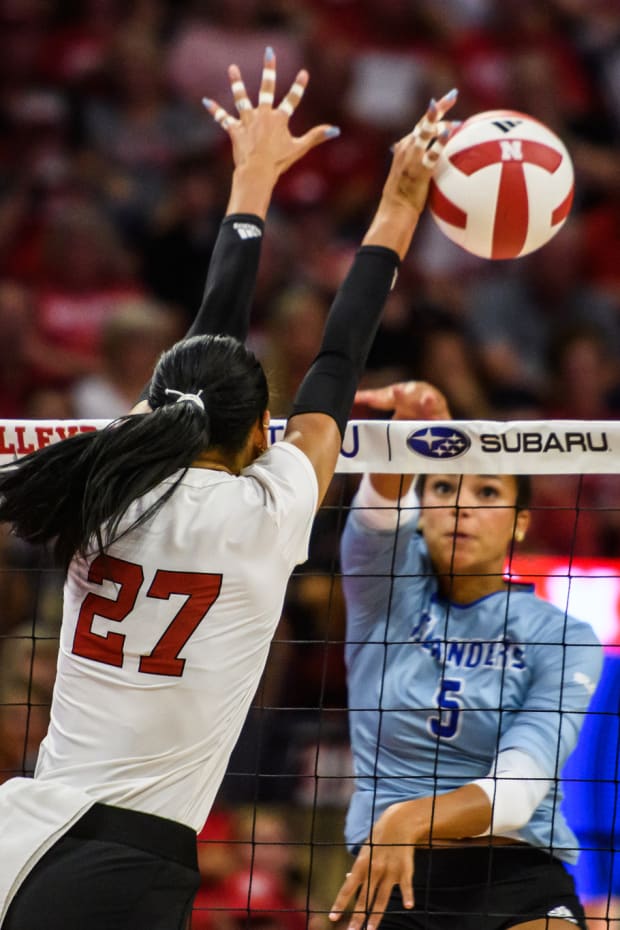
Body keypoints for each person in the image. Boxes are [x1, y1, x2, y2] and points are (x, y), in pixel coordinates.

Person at [0, 50, 456, 930]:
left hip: (22, 827)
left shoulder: (109, 480)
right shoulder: (265, 512)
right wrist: (399, 206)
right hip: (125, 863)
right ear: (259, 435)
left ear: (158, 408)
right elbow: (335, 362)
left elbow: (215, 341)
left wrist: (250, 180)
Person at [328, 380, 604, 930]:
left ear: (521, 522)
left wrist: (410, 818)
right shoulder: (385, 589)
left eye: (486, 493)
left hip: (516, 870)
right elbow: (380, 508)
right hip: (391, 871)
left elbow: (520, 791)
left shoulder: (562, 634)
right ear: (421, 508)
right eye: (443, 488)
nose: (460, 508)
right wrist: (406, 434)